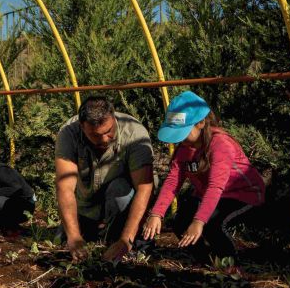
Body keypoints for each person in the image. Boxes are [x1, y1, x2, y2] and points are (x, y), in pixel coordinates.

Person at [142, 91, 265, 257]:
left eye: (183, 131)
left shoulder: (220, 144)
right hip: (208, 194)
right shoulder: (184, 149)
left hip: (242, 194)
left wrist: (199, 221)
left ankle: (229, 265)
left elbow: (215, 186)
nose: (180, 139)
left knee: (212, 225)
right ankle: (205, 260)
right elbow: (172, 181)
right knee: (180, 224)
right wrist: (156, 213)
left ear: (200, 122)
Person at [55, 96, 154, 262]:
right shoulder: (68, 133)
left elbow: (144, 188)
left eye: (108, 132)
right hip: (87, 205)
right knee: (65, 239)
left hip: (121, 202)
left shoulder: (134, 133)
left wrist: (126, 240)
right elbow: (64, 187)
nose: (103, 140)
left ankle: (121, 236)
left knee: (120, 189)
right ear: (82, 127)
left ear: (114, 118)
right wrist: (74, 236)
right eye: (94, 135)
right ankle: (95, 230)